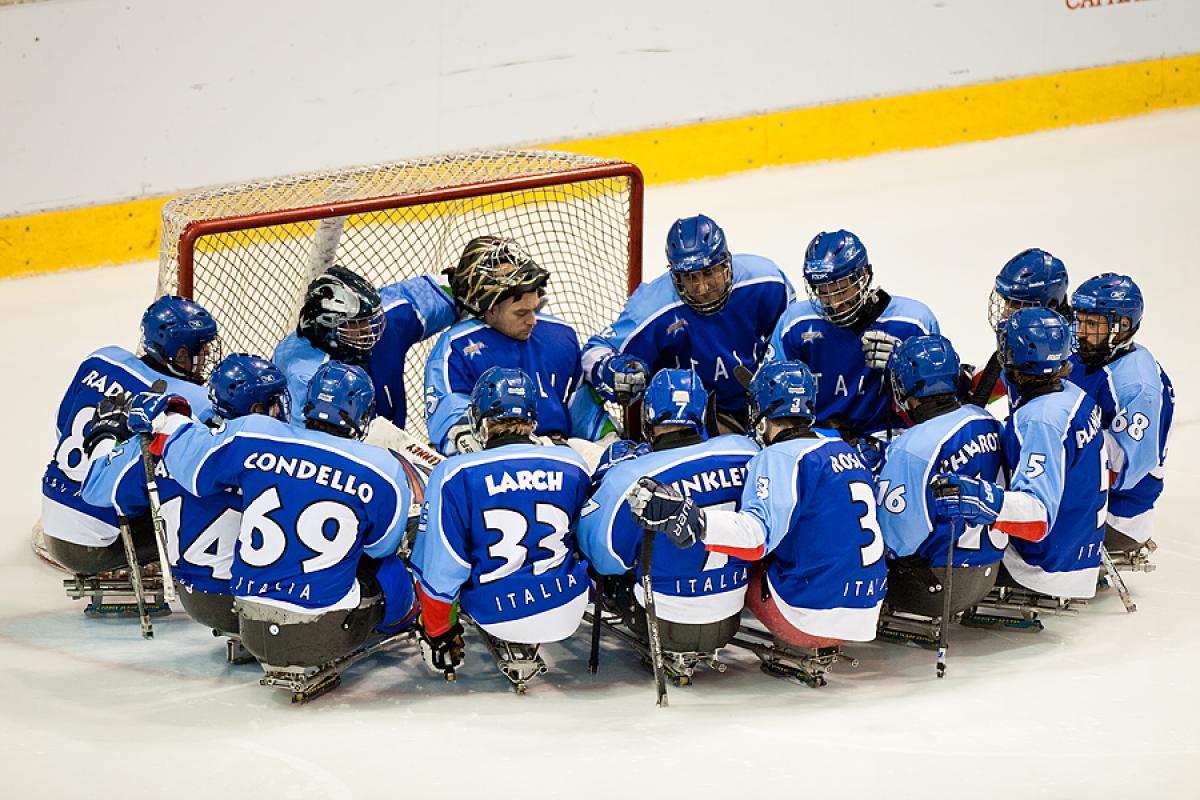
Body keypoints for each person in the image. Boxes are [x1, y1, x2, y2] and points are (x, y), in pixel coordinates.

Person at [156, 361, 420, 667]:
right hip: (324, 630)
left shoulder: (255, 431)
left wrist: (170, 419)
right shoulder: (381, 466)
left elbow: (194, 468)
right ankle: (406, 623)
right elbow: (381, 546)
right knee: (392, 569)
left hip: (248, 620)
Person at [631, 361, 888, 650]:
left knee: (737, 566)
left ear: (759, 411)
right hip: (869, 606)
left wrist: (691, 519)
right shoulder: (844, 447)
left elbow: (754, 540)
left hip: (811, 618)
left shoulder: (780, 457)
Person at [81, 353, 291, 635]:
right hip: (257, 598)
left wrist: (108, 433)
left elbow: (94, 490)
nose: (281, 407)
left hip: (195, 599)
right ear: (255, 407)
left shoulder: (168, 436)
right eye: (274, 400)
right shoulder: (277, 451)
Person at [410, 367, 593, 682]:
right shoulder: (572, 462)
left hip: (495, 613)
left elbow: (441, 568)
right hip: (570, 607)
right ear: (532, 417)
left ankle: (437, 638)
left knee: (425, 553)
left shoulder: (454, 472)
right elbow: (586, 540)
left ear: (479, 417)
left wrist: (439, 632)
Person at [578, 369, 758, 667]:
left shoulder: (632, 475)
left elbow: (602, 558)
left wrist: (605, 481)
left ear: (648, 414)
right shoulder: (746, 451)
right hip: (731, 615)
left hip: (662, 621)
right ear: (702, 410)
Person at [931, 308, 1107, 600]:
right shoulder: (1073, 394)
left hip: (1044, 568)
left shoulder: (1041, 421)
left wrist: (978, 498)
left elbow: (1037, 518)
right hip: (1076, 551)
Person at [40, 295, 217, 575]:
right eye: (199, 350)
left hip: (52, 526)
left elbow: (62, 425)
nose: (204, 357)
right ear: (178, 353)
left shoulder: (101, 358)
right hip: (99, 547)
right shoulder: (192, 400)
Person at [582, 214, 793, 434]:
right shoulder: (652, 306)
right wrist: (612, 370)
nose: (702, 288)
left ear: (726, 264)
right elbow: (593, 351)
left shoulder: (766, 283)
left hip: (761, 405)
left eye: (709, 273)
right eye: (690, 278)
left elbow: (788, 342)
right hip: (687, 418)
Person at [424, 235, 613, 456]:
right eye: (521, 313)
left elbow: (582, 412)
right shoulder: (455, 348)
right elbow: (452, 423)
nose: (533, 320)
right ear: (490, 310)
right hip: (494, 457)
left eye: (535, 308)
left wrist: (609, 441)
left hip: (558, 455)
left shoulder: (560, 335)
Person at [876, 335, 1007, 619]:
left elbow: (896, 540)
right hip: (988, 575)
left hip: (932, 589)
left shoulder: (912, 447)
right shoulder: (987, 420)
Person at [767, 230, 939, 440]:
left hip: (894, 440)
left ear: (864, 275)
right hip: (819, 440)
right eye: (823, 292)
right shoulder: (794, 324)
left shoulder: (913, 322)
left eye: (841, 291)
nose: (834, 304)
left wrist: (904, 365)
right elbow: (771, 396)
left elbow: (936, 404)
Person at [1067, 273, 1173, 563]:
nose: (1081, 332)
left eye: (1093, 324)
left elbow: (1122, 472)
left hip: (1118, 515)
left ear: (1122, 326)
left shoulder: (1136, 386)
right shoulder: (1092, 353)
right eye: (1081, 321)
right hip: (1094, 501)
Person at [273, 265, 456, 429]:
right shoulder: (304, 376)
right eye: (356, 324)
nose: (369, 329)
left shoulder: (383, 324)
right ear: (327, 326)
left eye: (370, 320)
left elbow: (446, 291)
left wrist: (462, 284)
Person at [966, 248, 1070, 408]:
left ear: (1050, 304)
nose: (1005, 311)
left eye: (1016, 304)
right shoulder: (1028, 341)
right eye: (1005, 301)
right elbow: (1002, 378)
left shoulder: (1069, 360)